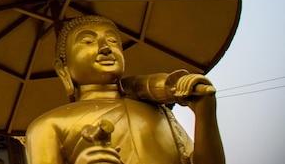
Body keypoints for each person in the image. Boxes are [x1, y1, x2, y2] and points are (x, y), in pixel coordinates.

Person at [25, 15, 225, 164]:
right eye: (87, 41)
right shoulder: (48, 126)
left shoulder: (156, 111)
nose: (105, 47)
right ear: (63, 69)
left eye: (113, 41)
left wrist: (205, 114)